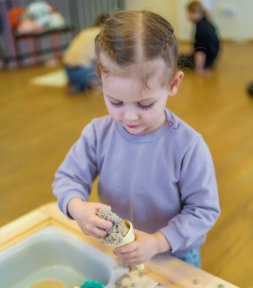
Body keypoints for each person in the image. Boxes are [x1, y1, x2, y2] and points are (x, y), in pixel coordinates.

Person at [53, 10, 220, 268]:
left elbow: (204, 210)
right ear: (100, 79)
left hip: (173, 253)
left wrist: (157, 241)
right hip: (117, 249)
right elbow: (68, 178)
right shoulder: (98, 133)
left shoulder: (188, 145)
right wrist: (77, 208)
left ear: (173, 84)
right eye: (116, 101)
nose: (130, 117)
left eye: (145, 104)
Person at [63, 13, 110, 93]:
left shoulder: (85, 31)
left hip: (68, 70)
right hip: (84, 71)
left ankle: (78, 84)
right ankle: (91, 83)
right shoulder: (102, 35)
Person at [178, 1, 220, 76]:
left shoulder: (201, 29)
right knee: (180, 56)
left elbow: (201, 51)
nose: (188, 16)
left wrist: (200, 69)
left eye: (189, 13)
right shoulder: (205, 23)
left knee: (175, 60)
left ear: (197, 12)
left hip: (206, 61)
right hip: (211, 59)